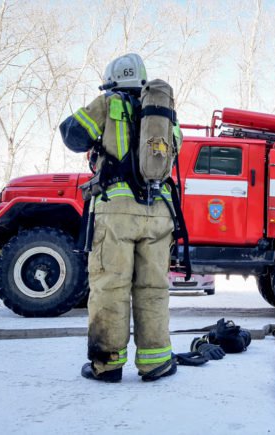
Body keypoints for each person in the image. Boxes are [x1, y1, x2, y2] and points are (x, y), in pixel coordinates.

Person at [60, 53, 179, 383]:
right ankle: (156, 362)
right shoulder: (164, 113)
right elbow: (175, 150)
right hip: (159, 212)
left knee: (110, 287)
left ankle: (107, 364)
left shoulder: (108, 102)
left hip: (116, 210)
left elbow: (72, 134)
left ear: (113, 79)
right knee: (153, 288)